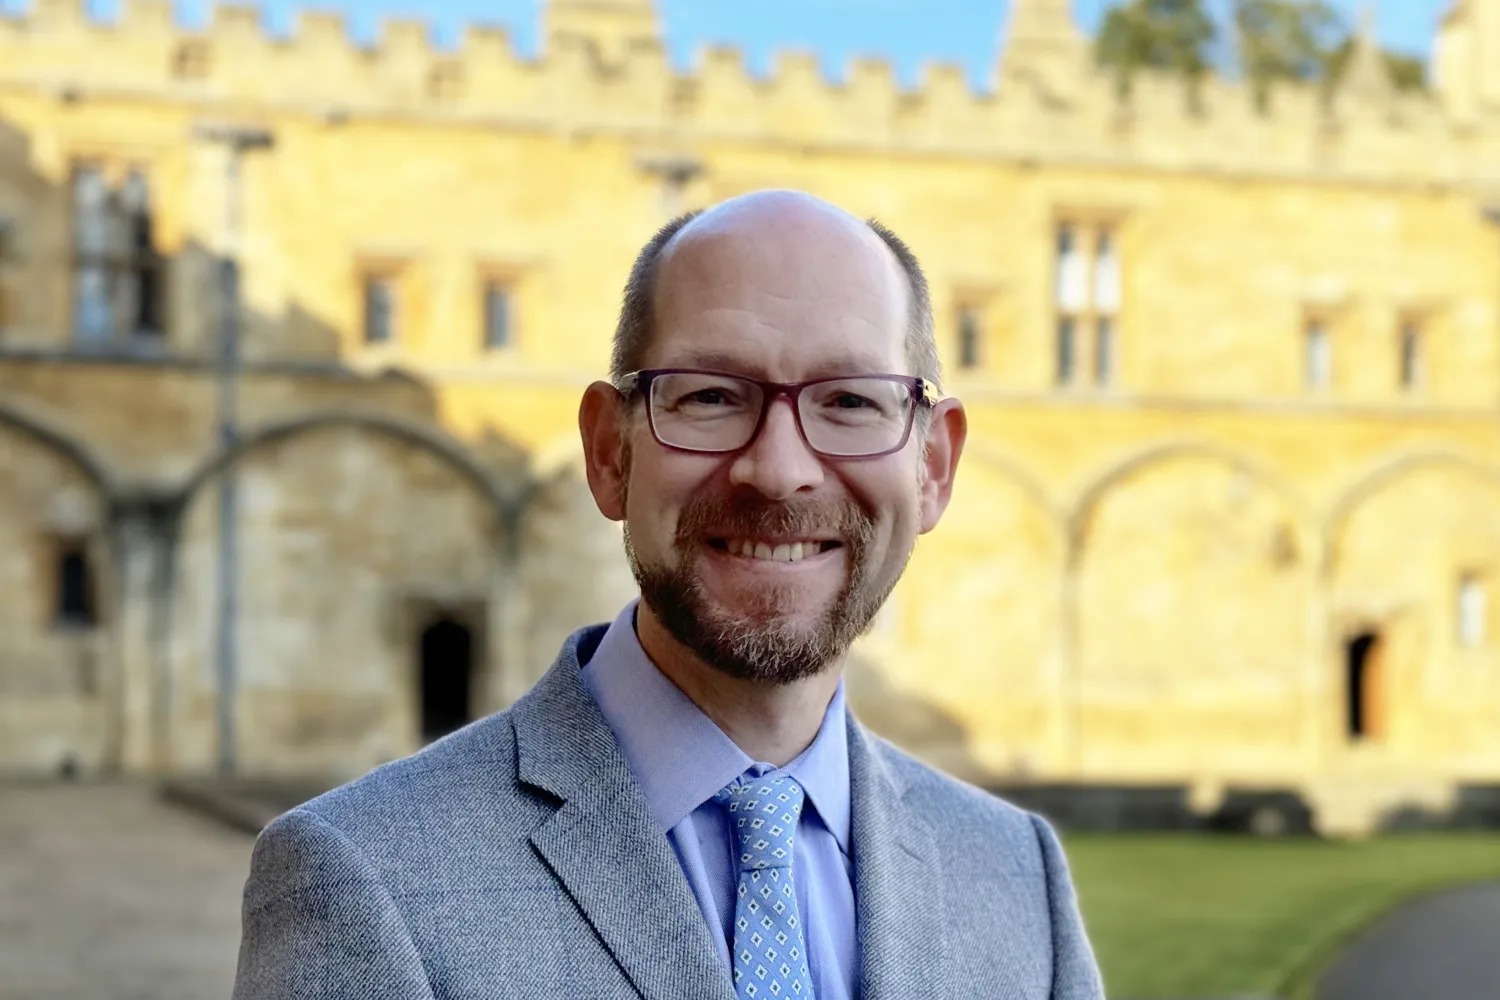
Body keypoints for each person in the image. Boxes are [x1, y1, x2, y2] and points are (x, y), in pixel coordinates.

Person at [233, 190, 1105, 1000]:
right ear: (611, 453)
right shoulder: (364, 875)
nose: (780, 470)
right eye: (712, 397)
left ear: (933, 467)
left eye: (849, 400)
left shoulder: (1017, 878)